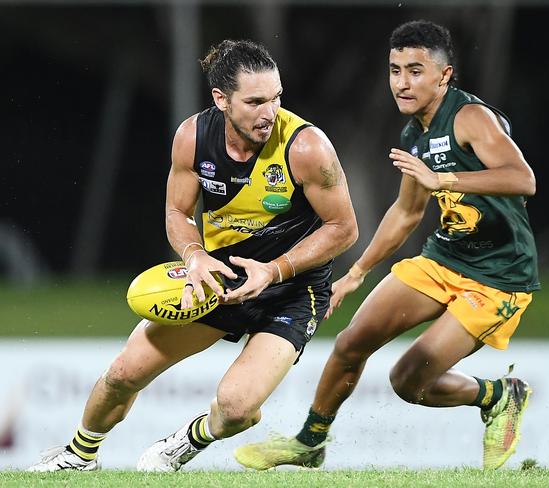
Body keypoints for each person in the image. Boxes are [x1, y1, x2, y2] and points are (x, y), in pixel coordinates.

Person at [28, 39, 358, 472]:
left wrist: (275, 270)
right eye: (255, 101)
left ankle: (187, 440)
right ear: (221, 99)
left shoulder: (306, 147)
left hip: (294, 290)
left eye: (276, 97)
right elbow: (176, 212)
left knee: (238, 409)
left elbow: (344, 228)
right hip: (217, 280)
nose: (270, 112)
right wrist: (193, 254)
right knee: (124, 373)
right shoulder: (193, 137)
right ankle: (78, 455)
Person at [234, 20, 540, 471]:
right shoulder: (414, 134)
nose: (402, 82)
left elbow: (523, 179)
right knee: (353, 341)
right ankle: (310, 442)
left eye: (415, 70)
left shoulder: (471, 118)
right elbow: (407, 212)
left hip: (499, 277)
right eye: (395, 70)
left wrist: (444, 179)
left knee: (408, 382)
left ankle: (499, 395)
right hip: (444, 258)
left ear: (445, 75)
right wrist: (357, 272)